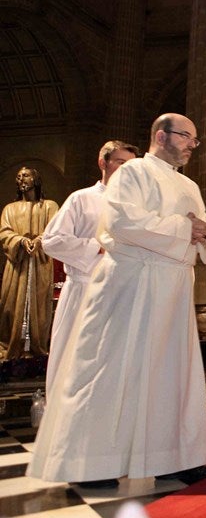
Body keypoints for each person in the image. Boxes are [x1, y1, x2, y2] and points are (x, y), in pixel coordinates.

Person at [28, 113, 206, 489]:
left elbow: (203, 231)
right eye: (186, 138)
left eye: (195, 141)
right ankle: (91, 464)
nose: (191, 146)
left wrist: (203, 232)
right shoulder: (132, 174)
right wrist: (185, 228)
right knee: (111, 371)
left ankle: (172, 457)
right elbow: (121, 223)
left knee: (172, 376)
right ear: (161, 135)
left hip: (175, 288)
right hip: (131, 284)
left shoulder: (190, 186)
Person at [40, 140, 139, 396]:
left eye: (131, 165)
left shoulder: (138, 206)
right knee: (75, 363)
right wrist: (96, 247)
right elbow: (51, 240)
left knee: (115, 366)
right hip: (84, 289)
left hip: (122, 294)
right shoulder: (81, 199)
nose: (126, 170)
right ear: (102, 162)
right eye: (120, 162)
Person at [0, 167, 59, 359]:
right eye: (18, 176)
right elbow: (4, 232)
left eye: (25, 175)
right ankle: (11, 346)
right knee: (10, 304)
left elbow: (56, 229)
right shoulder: (10, 208)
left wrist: (40, 240)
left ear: (36, 178)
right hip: (17, 265)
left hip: (40, 263)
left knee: (39, 305)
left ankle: (37, 348)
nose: (21, 179)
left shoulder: (49, 206)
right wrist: (21, 241)